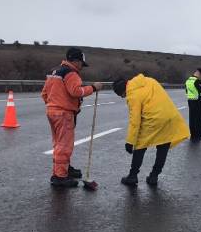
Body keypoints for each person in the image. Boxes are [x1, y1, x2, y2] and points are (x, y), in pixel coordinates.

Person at [113, 74, 190, 186]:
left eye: (122, 95)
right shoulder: (149, 80)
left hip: (153, 120)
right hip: (170, 116)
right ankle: (154, 176)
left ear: (123, 91)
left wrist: (130, 142)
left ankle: (132, 176)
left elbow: (135, 121)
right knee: (163, 146)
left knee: (140, 146)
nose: (123, 97)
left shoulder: (132, 95)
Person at [41, 47, 103, 187]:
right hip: (63, 114)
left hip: (52, 112)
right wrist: (93, 88)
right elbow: (76, 91)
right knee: (64, 145)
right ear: (76, 61)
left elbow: (44, 94)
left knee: (58, 143)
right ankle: (60, 176)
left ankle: (64, 168)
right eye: (81, 63)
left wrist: (53, 105)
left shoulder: (53, 72)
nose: (82, 67)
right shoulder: (71, 73)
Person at [185, 68, 201, 141]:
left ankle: (192, 135)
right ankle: (198, 136)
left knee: (192, 118)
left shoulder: (188, 81)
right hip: (197, 102)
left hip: (190, 101)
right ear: (199, 74)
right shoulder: (197, 81)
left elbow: (187, 91)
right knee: (198, 119)